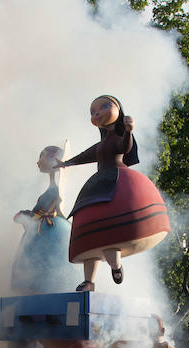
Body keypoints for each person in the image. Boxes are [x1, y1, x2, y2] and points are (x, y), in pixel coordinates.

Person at [58, 95, 170, 291]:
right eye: (93, 112)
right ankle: (89, 281)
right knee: (89, 244)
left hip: (117, 182)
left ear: (118, 110)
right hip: (98, 185)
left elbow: (125, 147)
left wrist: (128, 131)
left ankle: (116, 266)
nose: (97, 113)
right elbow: (87, 155)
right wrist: (66, 163)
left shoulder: (119, 137)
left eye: (104, 107)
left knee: (110, 239)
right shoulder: (102, 143)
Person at [10, 145, 81, 293]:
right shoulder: (52, 188)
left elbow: (57, 209)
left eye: (41, 156)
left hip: (49, 234)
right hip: (43, 232)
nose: (38, 161)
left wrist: (30, 216)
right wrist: (28, 216)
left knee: (44, 274)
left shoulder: (58, 190)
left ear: (52, 159)